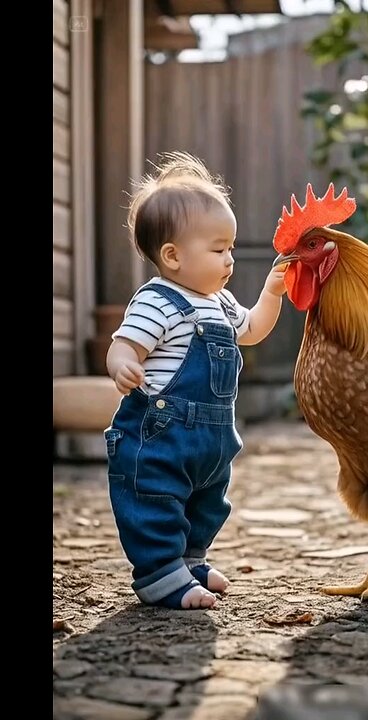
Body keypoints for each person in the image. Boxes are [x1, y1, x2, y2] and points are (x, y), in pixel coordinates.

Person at [104, 152, 286, 609]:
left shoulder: (221, 302)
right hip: (161, 436)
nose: (230, 259)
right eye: (219, 248)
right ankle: (160, 574)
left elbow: (253, 330)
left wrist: (271, 293)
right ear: (173, 256)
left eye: (231, 248)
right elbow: (125, 343)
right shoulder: (157, 301)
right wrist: (122, 362)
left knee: (207, 503)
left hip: (211, 439)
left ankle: (189, 560)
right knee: (157, 499)